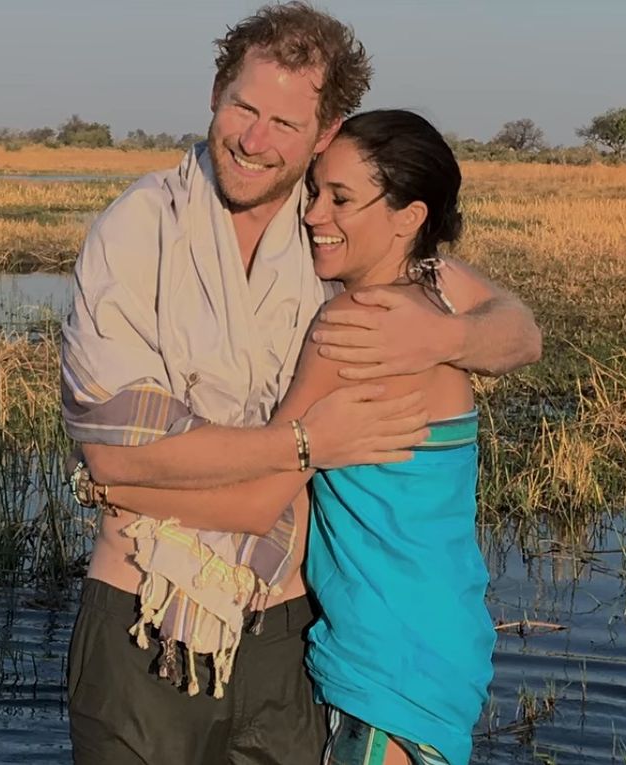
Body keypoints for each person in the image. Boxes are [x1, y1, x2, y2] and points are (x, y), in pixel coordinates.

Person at [61, 4, 541, 764]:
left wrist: (448, 334)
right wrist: (304, 445)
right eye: (243, 107)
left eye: (285, 122)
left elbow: (520, 328)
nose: (255, 139)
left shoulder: (334, 237)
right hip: (143, 618)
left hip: (294, 643)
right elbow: (119, 448)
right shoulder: (140, 228)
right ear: (215, 95)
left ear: (324, 132)